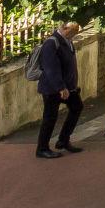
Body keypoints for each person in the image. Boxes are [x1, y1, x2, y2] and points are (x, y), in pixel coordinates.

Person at [33, 21, 83, 159]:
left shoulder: (67, 41)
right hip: (52, 88)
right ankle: (42, 148)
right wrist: (60, 87)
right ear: (64, 28)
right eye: (73, 31)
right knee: (50, 117)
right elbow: (51, 68)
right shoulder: (51, 43)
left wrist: (71, 85)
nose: (75, 34)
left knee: (77, 107)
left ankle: (63, 140)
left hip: (68, 87)